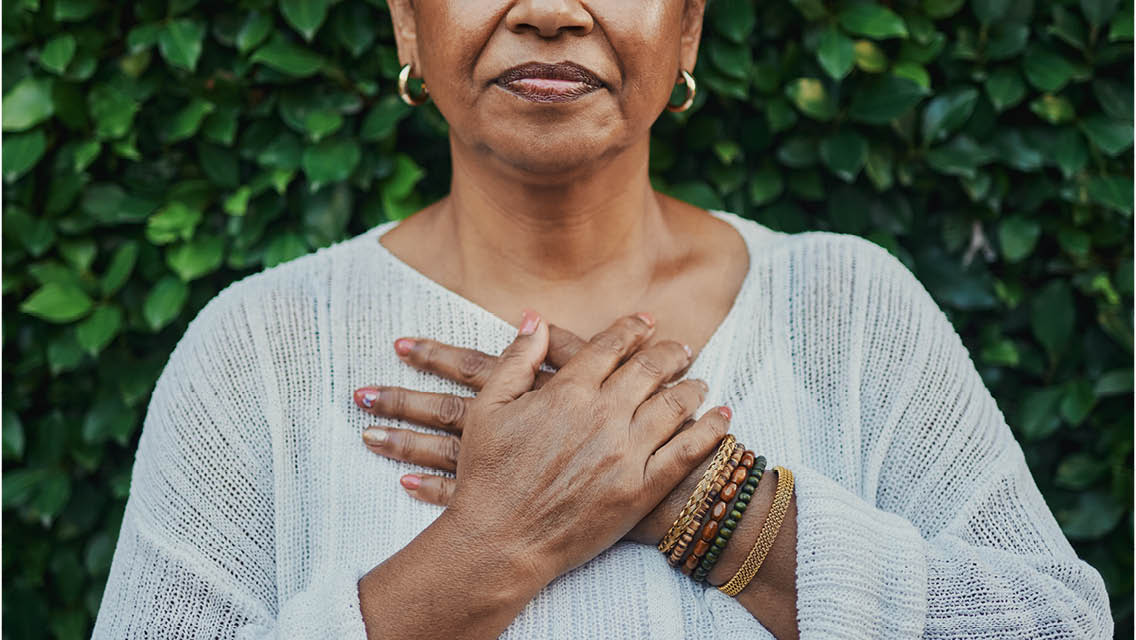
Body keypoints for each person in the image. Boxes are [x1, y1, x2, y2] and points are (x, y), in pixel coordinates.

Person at [91, 0, 1113, 638]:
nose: (546, 11)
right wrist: (490, 546)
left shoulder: (844, 311)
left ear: (688, 26)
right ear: (407, 21)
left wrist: (710, 502)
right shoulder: (261, 351)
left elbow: (1052, 627)